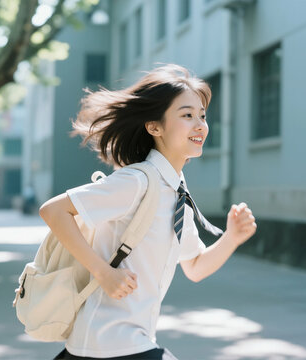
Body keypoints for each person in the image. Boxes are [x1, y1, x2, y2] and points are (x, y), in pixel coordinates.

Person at [39, 64, 257, 360]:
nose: (200, 125)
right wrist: (103, 272)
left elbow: (194, 266)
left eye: (202, 115)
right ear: (154, 127)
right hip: (106, 343)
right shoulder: (137, 181)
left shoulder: (177, 190)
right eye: (187, 115)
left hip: (130, 342)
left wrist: (232, 237)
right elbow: (53, 212)